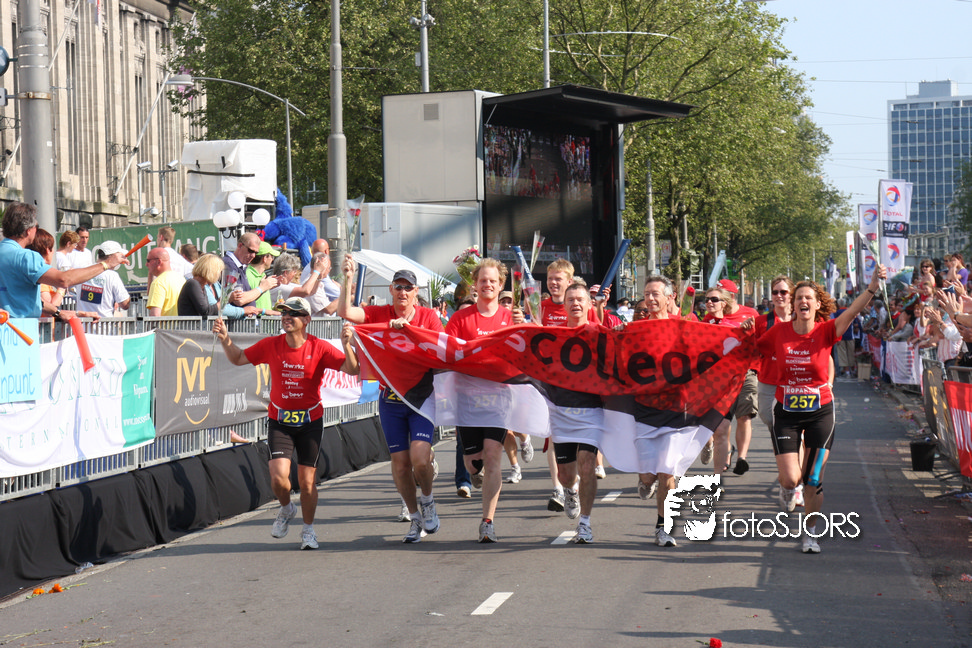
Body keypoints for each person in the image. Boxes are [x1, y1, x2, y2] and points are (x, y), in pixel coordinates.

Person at [752, 264, 887, 553]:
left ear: (816, 305)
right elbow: (751, 349)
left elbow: (853, 311)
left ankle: (810, 532)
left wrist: (872, 287)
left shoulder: (827, 330)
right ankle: (788, 489)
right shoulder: (778, 332)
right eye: (798, 297)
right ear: (793, 304)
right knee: (792, 479)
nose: (803, 301)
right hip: (786, 412)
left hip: (820, 412)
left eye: (808, 298)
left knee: (812, 480)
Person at [213, 296, 359, 550]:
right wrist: (225, 338)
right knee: (279, 480)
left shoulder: (319, 347)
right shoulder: (272, 344)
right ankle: (287, 508)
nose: (287, 317)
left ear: (307, 319)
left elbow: (353, 369)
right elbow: (238, 358)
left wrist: (347, 345)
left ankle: (308, 530)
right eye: (283, 313)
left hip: (310, 421)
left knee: (307, 482)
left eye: (293, 313)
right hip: (280, 420)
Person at [338, 255, 444, 543]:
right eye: (398, 287)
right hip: (391, 400)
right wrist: (348, 277)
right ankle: (414, 517)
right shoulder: (379, 313)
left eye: (408, 288)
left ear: (416, 292)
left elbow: (440, 348)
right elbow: (346, 311)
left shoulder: (428, 317)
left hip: (420, 398)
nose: (403, 292)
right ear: (391, 290)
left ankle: (428, 500)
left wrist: (410, 330)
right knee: (400, 465)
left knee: (419, 459)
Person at [445, 257, 518, 543]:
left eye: (493, 281)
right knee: (472, 463)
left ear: (501, 285)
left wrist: (527, 327)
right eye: (483, 280)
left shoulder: (510, 319)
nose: (488, 284)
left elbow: (524, 351)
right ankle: (475, 472)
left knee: (493, 454)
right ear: (474, 285)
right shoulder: (460, 319)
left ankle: (487, 521)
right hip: (467, 400)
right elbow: (446, 351)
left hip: (499, 398)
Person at [543, 281, 603, 543]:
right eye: (571, 300)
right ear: (564, 305)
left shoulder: (600, 334)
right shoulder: (553, 336)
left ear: (589, 304)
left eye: (580, 299)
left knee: (587, 463)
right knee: (566, 475)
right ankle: (570, 490)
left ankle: (585, 523)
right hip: (562, 412)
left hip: (592, 411)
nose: (576, 303)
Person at [633, 275, 687, 547]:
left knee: (667, 471)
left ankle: (663, 527)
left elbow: (711, 346)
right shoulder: (636, 330)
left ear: (669, 297)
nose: (650, 299)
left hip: (675, 409)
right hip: (644, 409)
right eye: (647, 294)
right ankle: (645, 480)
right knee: (649, 475)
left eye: (655, 294)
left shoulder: (683, 327)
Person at [0, 204, 128, 319]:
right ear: (28, 230)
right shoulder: (26, 257)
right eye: (36, 227)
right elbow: (63, 280)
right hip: (20, 331)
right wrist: (106, 264)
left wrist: (58, 313)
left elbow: (28, 300)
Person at [26, 229, 99, 320]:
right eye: (52, 248)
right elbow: (51, 309)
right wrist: (63, 285)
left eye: (87, 237)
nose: (53, 251)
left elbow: (55, 311)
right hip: (40, 326)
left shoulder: (36, 274)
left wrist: (81, 313)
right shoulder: (40, 277)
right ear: (48, 250)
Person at [178, 254, 259, 318]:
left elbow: (211, 309)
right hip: (191, 331)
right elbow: (206, 311)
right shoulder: (193, 284)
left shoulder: (201, 285)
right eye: (219, 271)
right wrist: (227, 300)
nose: (219, 275)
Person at [73, 241, 131, 318]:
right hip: (104, 323)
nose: (121, 259)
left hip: (82, 323)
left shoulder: (83, 270)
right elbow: (125, 304)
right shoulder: (112, 275)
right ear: (112, 256)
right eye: (120, 256)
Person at [302, 239, 340, 316]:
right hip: (316, 323)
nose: (329, 270)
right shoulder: (312, 284)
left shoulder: (318, 281)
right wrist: (346, 293)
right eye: (328, 268)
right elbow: (329, 309)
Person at [146, 247, 186, 317]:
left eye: (148, 261)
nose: (146, 264)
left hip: (165, 324)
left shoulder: (158, 283)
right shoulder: (181, 279)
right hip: (181, 323)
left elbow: (155, 315)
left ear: (159, 262)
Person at [243, 241, 280, 311]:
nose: (272, 260)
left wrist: (275, 308)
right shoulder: (247, 275)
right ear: (265, 258)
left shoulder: (263, 276)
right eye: (272, 256)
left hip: (264, 317)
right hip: (254, 318)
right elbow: (244, 301)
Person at [223, 232, 262, 297]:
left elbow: (247, 297)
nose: (253, 255)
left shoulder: (241, 266)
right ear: (240, 246)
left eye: (256, 253)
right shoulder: (229, 265)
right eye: (251, 251)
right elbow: (238, 298)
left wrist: (264, 288)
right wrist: (262, 288)